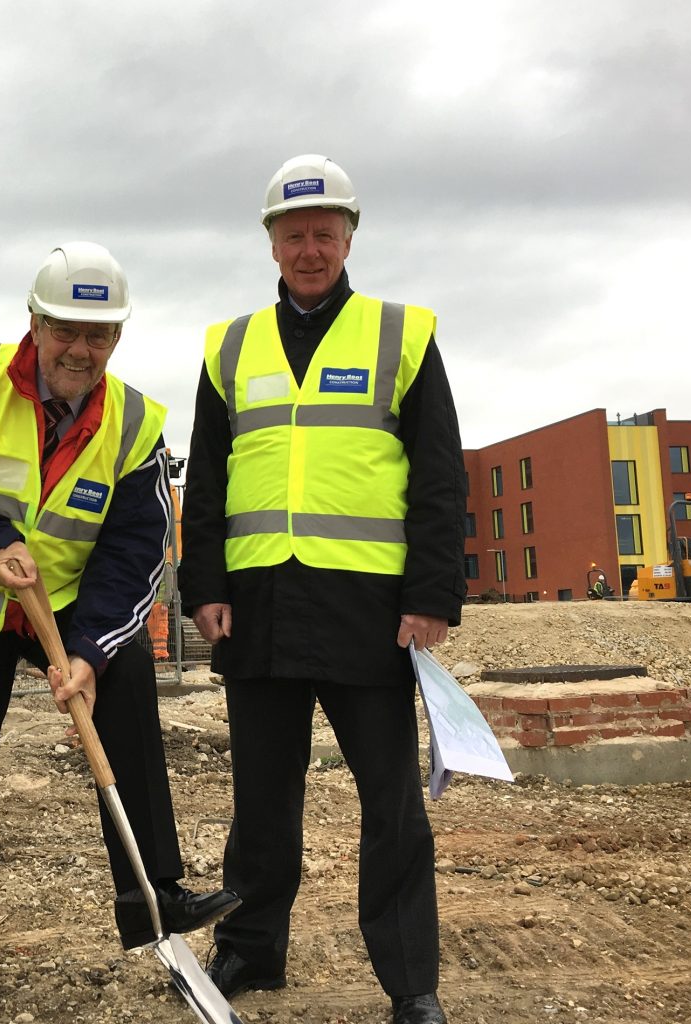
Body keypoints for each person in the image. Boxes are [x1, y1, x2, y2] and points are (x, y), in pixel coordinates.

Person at [0, 242, 239, 1006]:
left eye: (100, 334)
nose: (82, 350)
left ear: (117, 337)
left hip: (70, 599)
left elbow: (136, 549)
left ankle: (156, 896)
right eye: (67, 330)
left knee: (127, 689)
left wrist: (87, 652)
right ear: (36, 322)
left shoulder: (136, 422)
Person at [179, 155, 466, 1024]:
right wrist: (205, 585)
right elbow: (209, 479)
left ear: (349, 237)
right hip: (259, 606)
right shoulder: (229, 347)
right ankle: (251, 951)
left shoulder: (401, 335)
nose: (310, 249)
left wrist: (432, 595)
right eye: (294, 234)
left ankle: (410, 983)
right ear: (271, 242)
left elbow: (440, 476)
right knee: (263, 803)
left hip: (370, 613)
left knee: (392, 806)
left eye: (325, 234)